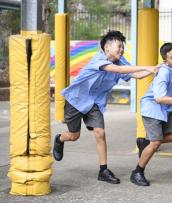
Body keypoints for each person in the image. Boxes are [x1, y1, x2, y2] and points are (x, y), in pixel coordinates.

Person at [52, 30, 158, 184]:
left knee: (100, 132)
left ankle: (103, 170)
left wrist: (156, 70)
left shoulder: (121, 62)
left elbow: (137, 75)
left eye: (123, 47)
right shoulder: (98, 60)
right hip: (76, 101)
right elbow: (121, 71)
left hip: (94, 103)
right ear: (107, 48)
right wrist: (148, 67)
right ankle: (60, 139)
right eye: (119, 46)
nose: (121, 50)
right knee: (74, 136)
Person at [130, 42, 172, 186]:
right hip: (152, 107)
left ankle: (146, 142)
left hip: (166, 106)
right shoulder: (164, 72)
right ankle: (137, 172)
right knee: (156, 143)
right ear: (165, 61)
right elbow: (158, 99)